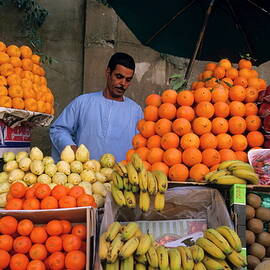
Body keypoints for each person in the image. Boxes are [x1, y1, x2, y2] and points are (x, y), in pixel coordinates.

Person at [50, 52, 143, 162]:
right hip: (84, 175)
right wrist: (71, 147)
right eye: (119, 77)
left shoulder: (135, 111)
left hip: (120, 176)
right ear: (108, 72)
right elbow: (59, 129)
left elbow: (143, 145)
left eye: (128, 79)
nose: (123, 83)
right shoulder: (83, 102)